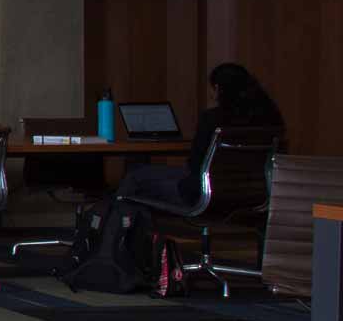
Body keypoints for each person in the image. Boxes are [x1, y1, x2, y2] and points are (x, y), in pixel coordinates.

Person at [114, 60, 286, 210]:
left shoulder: (213, 119)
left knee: (135, 176)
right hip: (252, 195)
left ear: (218, 88)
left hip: (202, 194)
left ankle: (112, 239)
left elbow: (195, 164)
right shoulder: (272, 118)